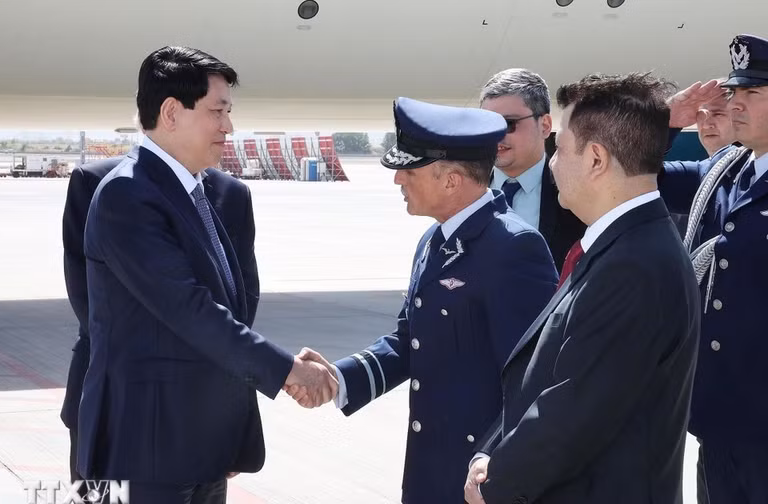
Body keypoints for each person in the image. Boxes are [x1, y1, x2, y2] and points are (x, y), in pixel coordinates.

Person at [77, 46, 335, 503]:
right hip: (145, 447)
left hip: (202, 443)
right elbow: (191, 310)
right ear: (171, 113)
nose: (228, 126)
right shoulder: (127, 195)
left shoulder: (197, 191)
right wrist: (288, 371)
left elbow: (234, 306)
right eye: (217, 111)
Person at [288, 97, 558, 504]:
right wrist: (339, 379)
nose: (398, 179)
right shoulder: (434, 240)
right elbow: (410, 341)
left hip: (480, 480)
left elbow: (533, 378)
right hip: (430, 473)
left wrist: (496, 465)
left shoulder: (513, 247)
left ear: (451, 180)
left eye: (410, 170)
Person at [465, 73, 700, 504]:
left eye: (560, 149)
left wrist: (496, 482)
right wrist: (492, 449)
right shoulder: (620, 245)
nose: (553, 163)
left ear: (595, 159)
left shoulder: (634, 266)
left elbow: (576, 407)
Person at [60, 152, 260, 482]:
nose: (226, 128)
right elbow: (88, 298)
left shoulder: (232, 193)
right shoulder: (99, 181)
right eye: (217, 120)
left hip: (206, 410)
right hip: (118, 405)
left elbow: (243, 298)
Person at [659, 34, 768, 504]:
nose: (735, 104)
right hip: (721, 419)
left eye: (753, 93)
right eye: (734, 92)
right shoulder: (726, 168)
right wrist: (664, 122)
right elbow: (644, 177)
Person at [479, 68, 586, 270]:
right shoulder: (463, 191)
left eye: (508, 123)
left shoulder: (580, 194)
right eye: (487, 124)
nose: (496, 135)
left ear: (545, 125)